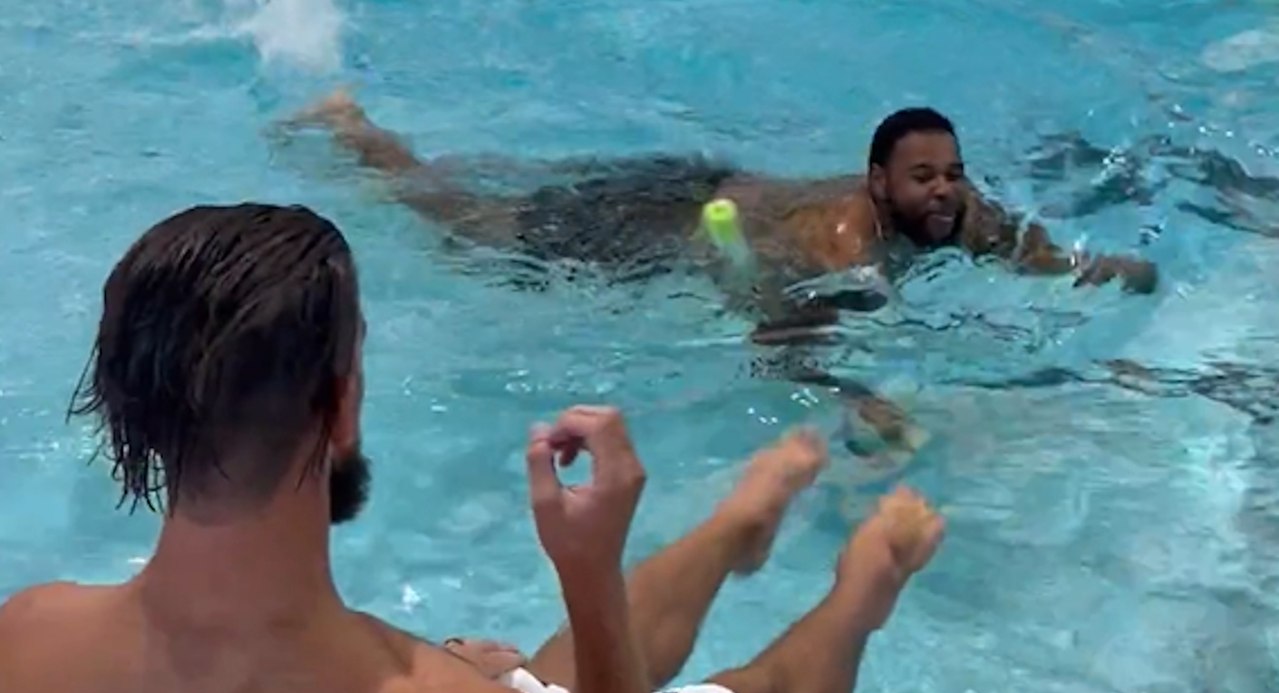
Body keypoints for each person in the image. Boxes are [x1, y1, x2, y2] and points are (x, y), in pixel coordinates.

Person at [0, 202, 945, 693]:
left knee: (547, 677)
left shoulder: (28, 643)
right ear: (340, 406)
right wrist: (587, 574)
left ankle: (737, 526)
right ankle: (865, 580)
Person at [285, 92, 1158, 457]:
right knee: (468, 228)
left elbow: (1025, 250)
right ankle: (354, 133)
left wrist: (1096, 269)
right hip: (662, 223)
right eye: (921, 177)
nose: (942, 191)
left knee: (500, 197)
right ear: (876, 184)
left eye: (951, 174)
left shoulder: (957, 211)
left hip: (722, 187)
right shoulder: (841, 249)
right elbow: (778, 337)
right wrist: (856, 397)